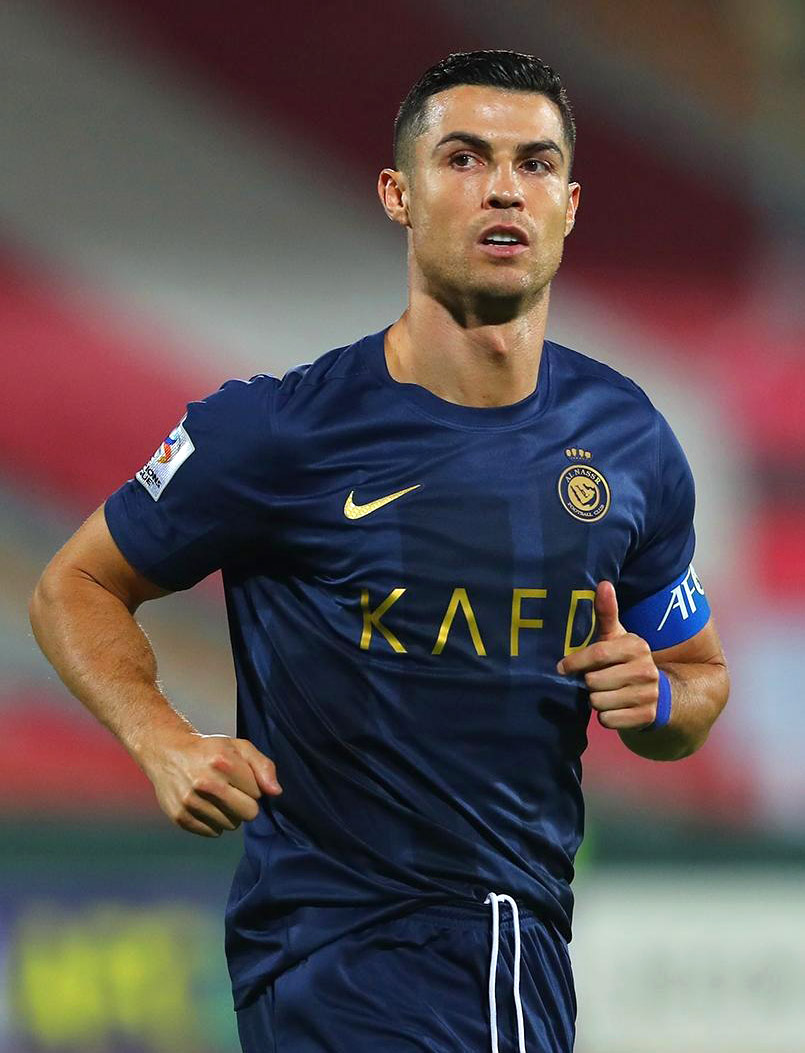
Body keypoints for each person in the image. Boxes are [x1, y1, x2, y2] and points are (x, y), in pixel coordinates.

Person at [29, 49, 729, 1053]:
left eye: (534, 164)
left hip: (499, 945)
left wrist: (654, 700)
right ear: (397, 194)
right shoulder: (276, 432)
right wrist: (164, 739)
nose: (502, 187)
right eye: (464, 157)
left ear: (569, 204)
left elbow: (697, 681)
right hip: (355, 947)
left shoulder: (628, 442)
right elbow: (78, 584)